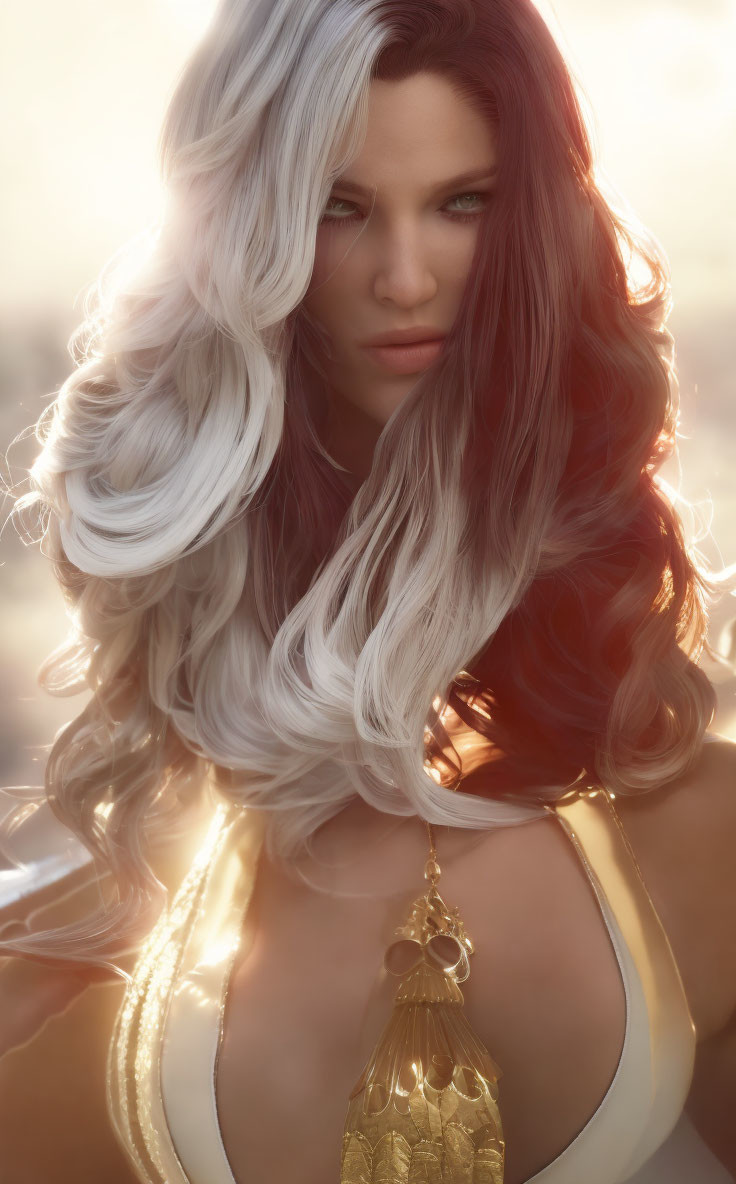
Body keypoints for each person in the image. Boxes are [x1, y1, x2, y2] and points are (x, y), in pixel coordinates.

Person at [1, 0, 735, 1181]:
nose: (404, 278)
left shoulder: (688, 818)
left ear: (533, 219)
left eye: (462, 201)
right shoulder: (177, 832)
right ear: (251, 233)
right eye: (339, 209)